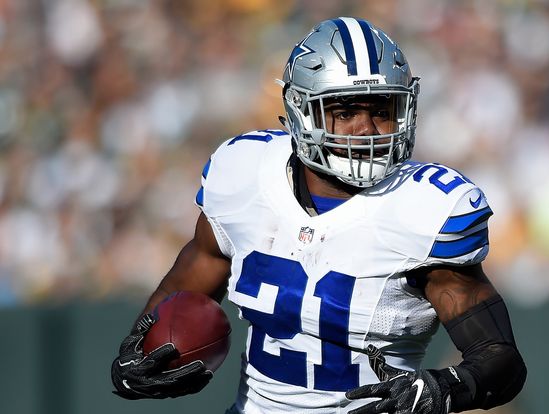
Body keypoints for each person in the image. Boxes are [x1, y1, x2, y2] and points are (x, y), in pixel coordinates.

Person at [111, 17, 527, 413]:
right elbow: (195, 276)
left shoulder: (422, 209)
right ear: (301, 111)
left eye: (381, 111)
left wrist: (444, 389)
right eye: (345, 112)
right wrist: (141, 349)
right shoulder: (245, 174)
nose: (366, 129)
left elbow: (500, 361)